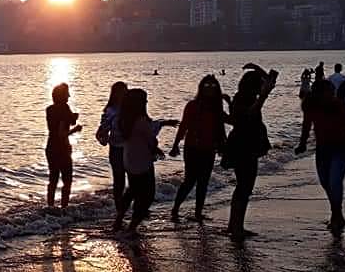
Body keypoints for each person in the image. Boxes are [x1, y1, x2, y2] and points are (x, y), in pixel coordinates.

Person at [223, 64, 277, 240]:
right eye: (259, 84)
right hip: (243, 146)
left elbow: (271, 79)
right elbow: (249, 114)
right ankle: (236, 227)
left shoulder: (242, 97)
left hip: (246, 144)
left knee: (244, 186)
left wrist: (255, 67)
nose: (263, 86)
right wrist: (263, 97)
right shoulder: (243, 99)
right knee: (244, 186)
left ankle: (235, 225)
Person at [295, 80, 345, 231]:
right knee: (325, 182)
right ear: (319, 93)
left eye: (333, 92)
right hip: (323, 149)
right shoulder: (310, 105)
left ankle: (336, 214)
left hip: (341, 148)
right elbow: (306, 125)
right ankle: (337, 213)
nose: (333, 94)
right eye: (330, 92)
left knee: (334, 181)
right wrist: (302, 144)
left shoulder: (338, 104)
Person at [170, 75, 230, 221]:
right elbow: (184, 126)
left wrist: (230, 102)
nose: (210, 89)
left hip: (209, 149)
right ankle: (175, 209)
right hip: (192, 148)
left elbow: (230, 121)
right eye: (207, 86)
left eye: (213, 86)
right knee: (190, 180)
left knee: (203, 182)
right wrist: (175, 145)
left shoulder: (216, 108)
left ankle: (198, 213)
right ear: (201, 88)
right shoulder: (192, 105)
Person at [113, 89, 161, 233]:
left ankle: (119, 219)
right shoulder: (141, 121)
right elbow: (151, 139)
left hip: (128, 159)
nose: (146, 102)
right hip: (143, 160)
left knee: (132, 190)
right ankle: (133, 225)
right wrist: (156, 148)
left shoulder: (122, 120)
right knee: (147, 195)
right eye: (144, 100)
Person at [45, 83, 82, 208]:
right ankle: (64, 208)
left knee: (53, 179)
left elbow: (58, 125)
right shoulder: (64, 108)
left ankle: (50, 206)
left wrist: (71, 118)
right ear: (62, 96)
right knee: (67, 180)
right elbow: (62, 134)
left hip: (50, 146)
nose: (69, 96)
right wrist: (75, 129)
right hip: (62, 148)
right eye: (67, 94)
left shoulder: (49, 109)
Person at [96, 81, 128, 207]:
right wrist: (103, 139)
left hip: (131, 148)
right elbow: (101, 131)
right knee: (119, 179)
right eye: (122, 92)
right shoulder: (110, 111)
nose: (124, 94)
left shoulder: (131, 109)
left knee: (134, 178)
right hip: (116, 148)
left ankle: (130, 205)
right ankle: (119, 206)